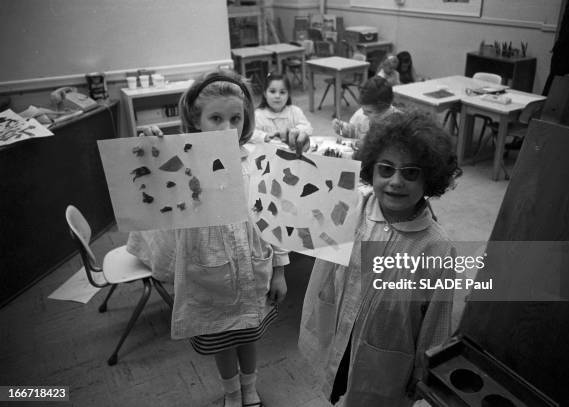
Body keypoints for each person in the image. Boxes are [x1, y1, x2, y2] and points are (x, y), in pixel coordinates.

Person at [127, 69, 309, 407]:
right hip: (205, 271)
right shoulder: (178, 159)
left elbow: (276, 214)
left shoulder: (257, 158)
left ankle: (250, 387)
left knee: (248, 332)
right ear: (196, 120)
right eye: (216, 117)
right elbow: (151, 193)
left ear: (246, 119)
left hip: (252, 267)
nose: (227, 127)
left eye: (235, 118)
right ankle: (231, 392)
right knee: (221, 337)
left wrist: (281, 269)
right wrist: (148, 148)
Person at [299, 110, 462, 407]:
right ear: (371, 169)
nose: (396, 181)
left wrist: (424, 372)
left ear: (431, 178)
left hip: (387, 357)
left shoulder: (438, 248)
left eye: (411, 173)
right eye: (386, 169)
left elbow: (436, 322)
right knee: (339, 389)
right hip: (341, 334)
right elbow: (298, 206)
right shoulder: (351, 208)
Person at [331, 76, 398, 145]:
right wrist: (341, 129)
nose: (364, 113)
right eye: (363, 108)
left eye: (369, 112)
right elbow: (354, 133)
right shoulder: (361, 116)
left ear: (385, 110)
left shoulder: (398, 124)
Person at [252, 73, 313, 148]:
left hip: (292, 153)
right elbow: (250, 134)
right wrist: (265, 136)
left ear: (288, 94)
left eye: (282, 92)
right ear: (265, 94)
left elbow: (308, 128)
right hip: (267, 154)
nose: (277, 96)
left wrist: (295, 131)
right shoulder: (258, 115)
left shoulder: (295, 111)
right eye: (272, 91)